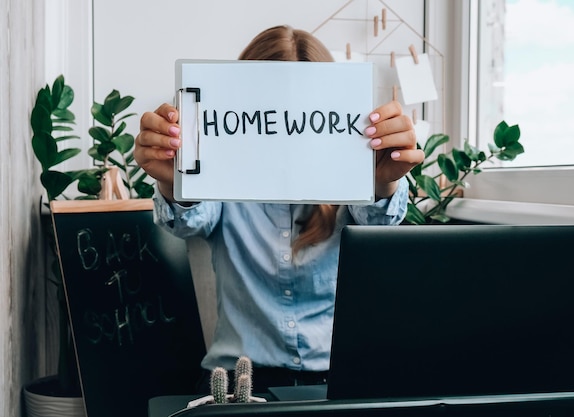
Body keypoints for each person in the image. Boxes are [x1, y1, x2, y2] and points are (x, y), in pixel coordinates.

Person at [134, 25, 425, 394]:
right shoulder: (223, 175)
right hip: (236, 381)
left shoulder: (349, 175)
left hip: (337, 378)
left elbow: (378, 222)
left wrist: (382, 182)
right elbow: (189, 218)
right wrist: (175, 182)